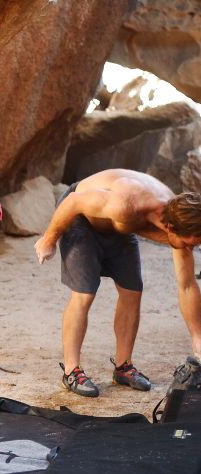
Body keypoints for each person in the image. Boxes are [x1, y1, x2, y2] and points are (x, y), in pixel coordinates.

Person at [35, 168, 201, 397]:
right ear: (171, 228)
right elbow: (73, 202)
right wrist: (49, 239)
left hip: (119, 228)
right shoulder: (126, 204)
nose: (190, 248)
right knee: (84, 294)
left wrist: (197, 338)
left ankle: (123, 367)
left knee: (132, 291)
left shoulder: (179, 218)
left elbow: (187, 284)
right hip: (80, 219)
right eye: (189, 243)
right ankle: (71, 371)